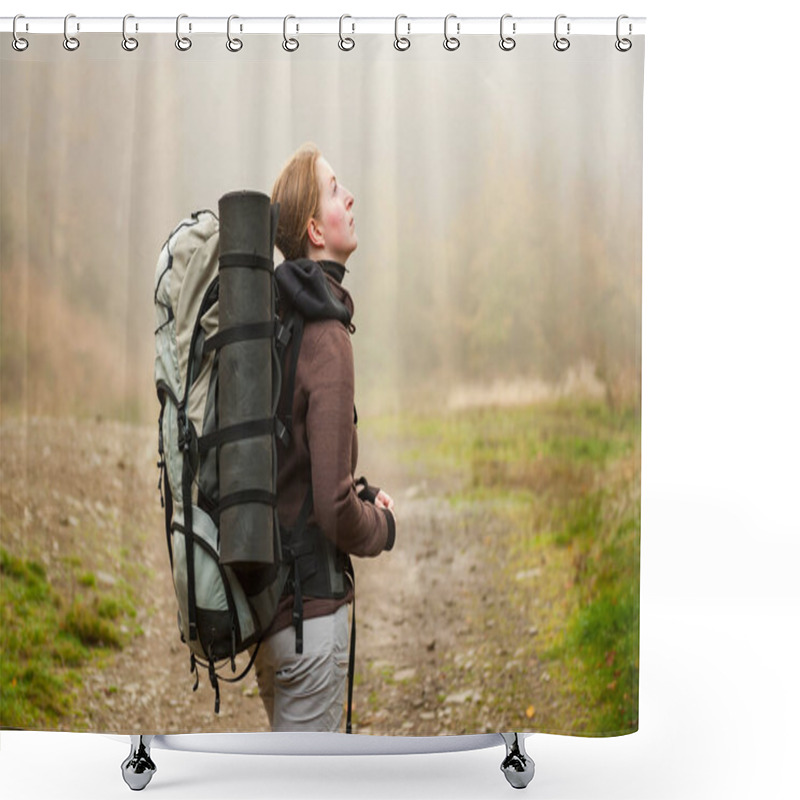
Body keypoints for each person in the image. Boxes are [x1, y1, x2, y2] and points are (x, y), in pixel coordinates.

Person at [251, 143, 396, 732]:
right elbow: (334, 509)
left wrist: (362, 493)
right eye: (336, 190)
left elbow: (297, 471)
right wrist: (382, 526)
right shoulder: (326, 335)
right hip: (311, 621)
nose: (350, 196)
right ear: (315, 228)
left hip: (269, 621)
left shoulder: (274, 322)